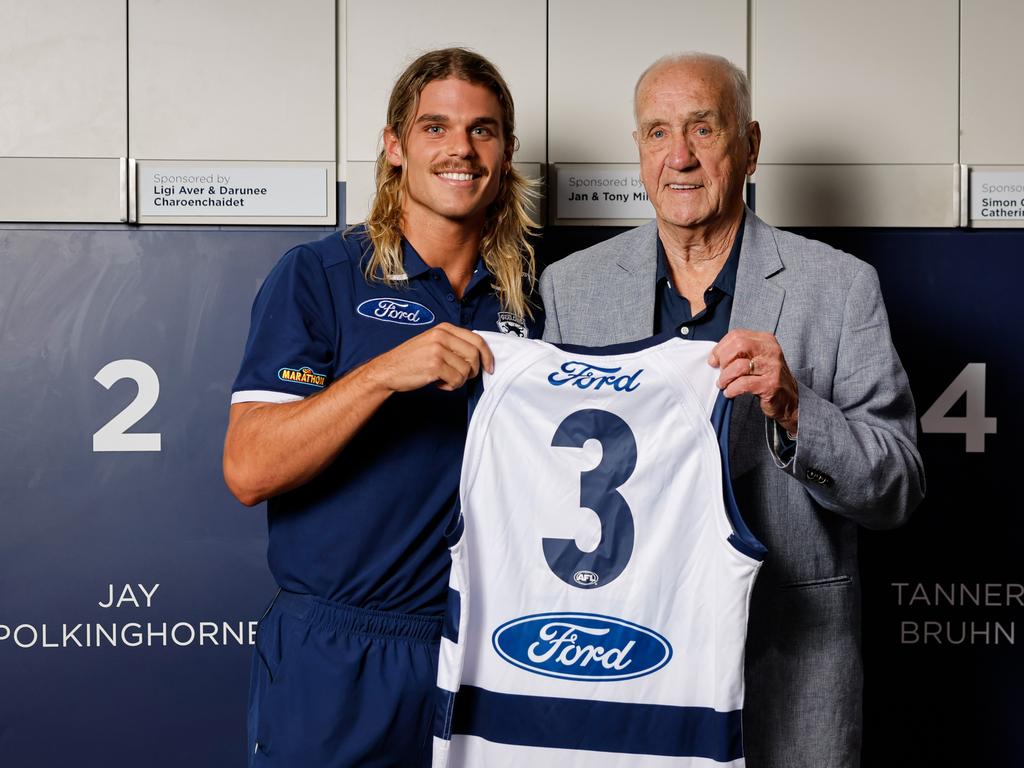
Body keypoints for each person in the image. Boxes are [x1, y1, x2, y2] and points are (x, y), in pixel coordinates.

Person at [539, 52, 924, 767]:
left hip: (789, 667)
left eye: (702, 129)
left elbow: (898, 485)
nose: (678, 156)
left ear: (749, 146)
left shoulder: (841, 290)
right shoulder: (572, 291)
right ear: (638, 151)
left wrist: (796, 410)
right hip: (629, 670)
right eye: (657, 133)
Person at [223, 47, 540, 767]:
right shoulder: (321, 275)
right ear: (395, 146)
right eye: (436, 128)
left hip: (483, 651)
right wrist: (380, 376)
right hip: (340, 654)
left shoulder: (529, 305)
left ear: (506, 152)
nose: (460, 148)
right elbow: (248, 469)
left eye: (482, 131)